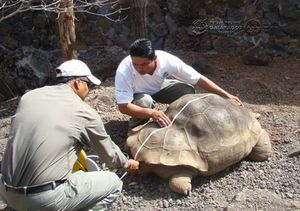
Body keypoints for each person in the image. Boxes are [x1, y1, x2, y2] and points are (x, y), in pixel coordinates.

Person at [0, 59, 139, 211]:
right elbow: (109, 154)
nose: (89, 90)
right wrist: (126, 163)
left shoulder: (29, 97)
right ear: (78, 83)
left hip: (6, 190)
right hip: (42, 199)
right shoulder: (83, 111)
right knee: (113, 183)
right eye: (89, 85)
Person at [115, 38, 243, 129]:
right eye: (135, 64)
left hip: (159, 88)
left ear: (154, 58)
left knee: (187, 91)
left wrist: (226, 95)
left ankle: (180, 123)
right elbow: (123, 107)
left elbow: (198, 79)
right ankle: (135, 131)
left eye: (143, 65)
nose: (139, 68)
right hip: (138, 94)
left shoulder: (168, 60)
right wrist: (151, 113)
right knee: (145, 103)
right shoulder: (124, 71)